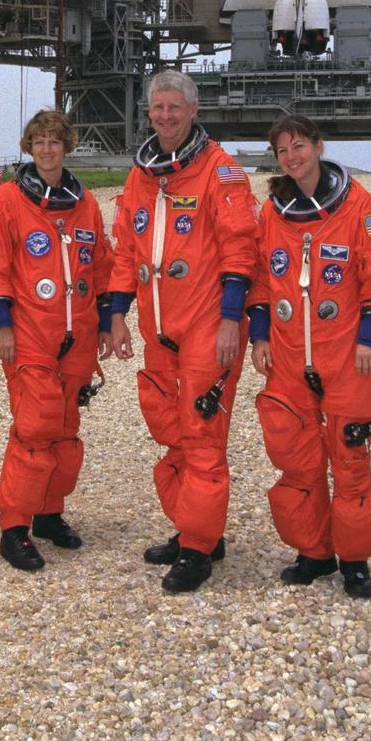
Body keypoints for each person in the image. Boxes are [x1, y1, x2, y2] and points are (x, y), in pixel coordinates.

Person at [248, 114, 371, 600]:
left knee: (350, 458)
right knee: (296, 459)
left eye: (298, 146)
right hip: (288, 355)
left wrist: (369, 336)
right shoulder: (273, 212)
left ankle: (355, 560)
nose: (292, 157)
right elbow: (260, 276)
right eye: (283, 151)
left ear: (318, 147)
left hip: (347, 355)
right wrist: (259, 336)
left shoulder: (362, 207)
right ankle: (314, 552)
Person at [110, 70, 259, 593]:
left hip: (206, 326)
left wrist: (228, 321)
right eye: (158, 109)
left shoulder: (221, 171)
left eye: (176, 108)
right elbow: (127, 249)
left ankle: (197, 550)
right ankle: (197, 527)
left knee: (201, 435)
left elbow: (242, 250)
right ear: (148, 113)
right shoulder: (142, 176)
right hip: (158, 327)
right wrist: (116, 316)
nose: (167, 116)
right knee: (170, 429)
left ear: (194, 111)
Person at [0, 109, 112, 572]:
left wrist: (112, 320)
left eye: (55, 140)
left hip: (78, 335)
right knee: (35, 429)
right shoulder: (7, 200)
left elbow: (102, 265)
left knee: (67, 430)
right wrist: (2, 325)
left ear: (66, 145)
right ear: (28, 147)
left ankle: (49, 514)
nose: (47, 149)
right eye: (39, 141)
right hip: (31, 333)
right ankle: (14, 527)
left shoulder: (85, 203)